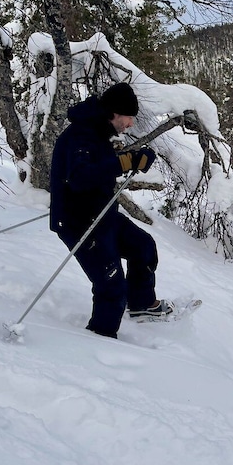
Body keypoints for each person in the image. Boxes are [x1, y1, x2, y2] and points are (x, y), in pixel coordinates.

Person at [49, 82, 173, 338]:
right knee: (111, 285)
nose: (130, 124)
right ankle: (100, 339)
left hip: (101, 214)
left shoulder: (97, 132)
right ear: (115, 112)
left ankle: (141, 306)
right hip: (79, 222)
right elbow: (81, 177)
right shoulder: (81, 135)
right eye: (129, 118)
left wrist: (133, 159)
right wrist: (124, 162)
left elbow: (102, 164)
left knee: (143, 247)